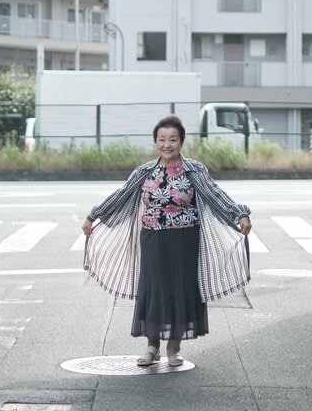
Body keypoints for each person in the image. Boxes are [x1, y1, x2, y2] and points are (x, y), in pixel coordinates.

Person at [82, 114, 252, 367]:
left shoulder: (194, 170)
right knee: (152, 290)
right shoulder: (145, 171)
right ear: (155, 142)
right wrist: (93, 215)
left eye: (173, 139)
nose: (167, 144)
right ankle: (152, 346)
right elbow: (121, 195)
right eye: (162, 139)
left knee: (180, 290)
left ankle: (174, 347)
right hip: (153, 239)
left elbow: (215, 194)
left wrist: (240, 213)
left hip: (185, 240)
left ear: (181, 142)